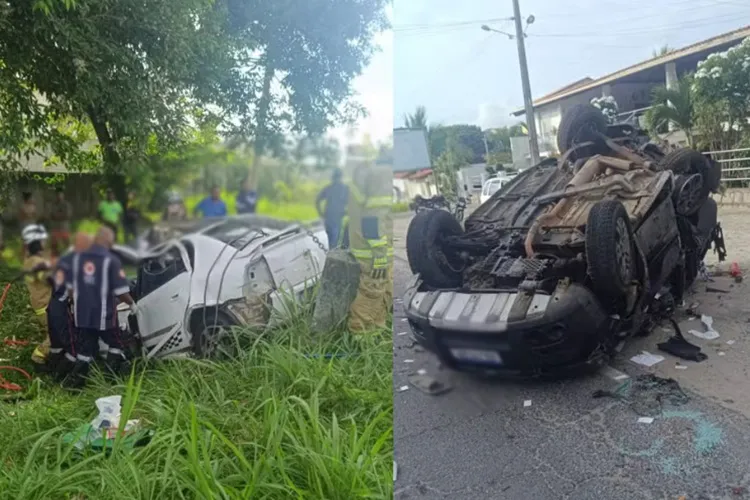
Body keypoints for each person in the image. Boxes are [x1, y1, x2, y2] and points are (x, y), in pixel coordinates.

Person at [63, 226, 136, 389]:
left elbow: (70, 289)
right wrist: (132, 304)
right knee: (117, 343)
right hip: (103, 315)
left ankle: (74, 385)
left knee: (85, 349)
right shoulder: (111, 261)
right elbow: (121, 292)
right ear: (108, 240)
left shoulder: (77, 259)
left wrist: (75, 305)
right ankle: (110, 378)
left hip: (82, 315)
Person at [46, 231, 92, 379]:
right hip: (62, 308)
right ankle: (63, 379)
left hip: (53, 306)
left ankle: (50, 372)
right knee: (72, 348)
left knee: (57, 345)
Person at [21, 224, 53, 370]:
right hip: (45, 305)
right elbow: (49, 279)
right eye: (43, 241)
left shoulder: (29, 260)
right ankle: (38, 358)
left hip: (39, 304)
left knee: (52, 333)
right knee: (54, 336)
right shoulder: (37, 263)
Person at [316, 168, 349, 248]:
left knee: (329, 242)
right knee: (332, 243)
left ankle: (328, 256)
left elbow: (317, 201)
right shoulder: (344, 189)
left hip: (331, 218)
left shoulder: (329, 188)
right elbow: (350, 203)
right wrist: (346, 212)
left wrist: (321, 213)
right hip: (334, 219)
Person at [48, 188, 73, 258]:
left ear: (63, 195)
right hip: (55, 227)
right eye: (57, 195)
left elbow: (67, 215)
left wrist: (57, 216)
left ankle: (69, 257)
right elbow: (51, 215)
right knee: (54, 245)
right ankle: (54, 260)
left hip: (64, 227)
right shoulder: (53, 204)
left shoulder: (66, 204)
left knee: (67, 244)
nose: (59, 196)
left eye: (60, 195)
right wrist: (60, 215)